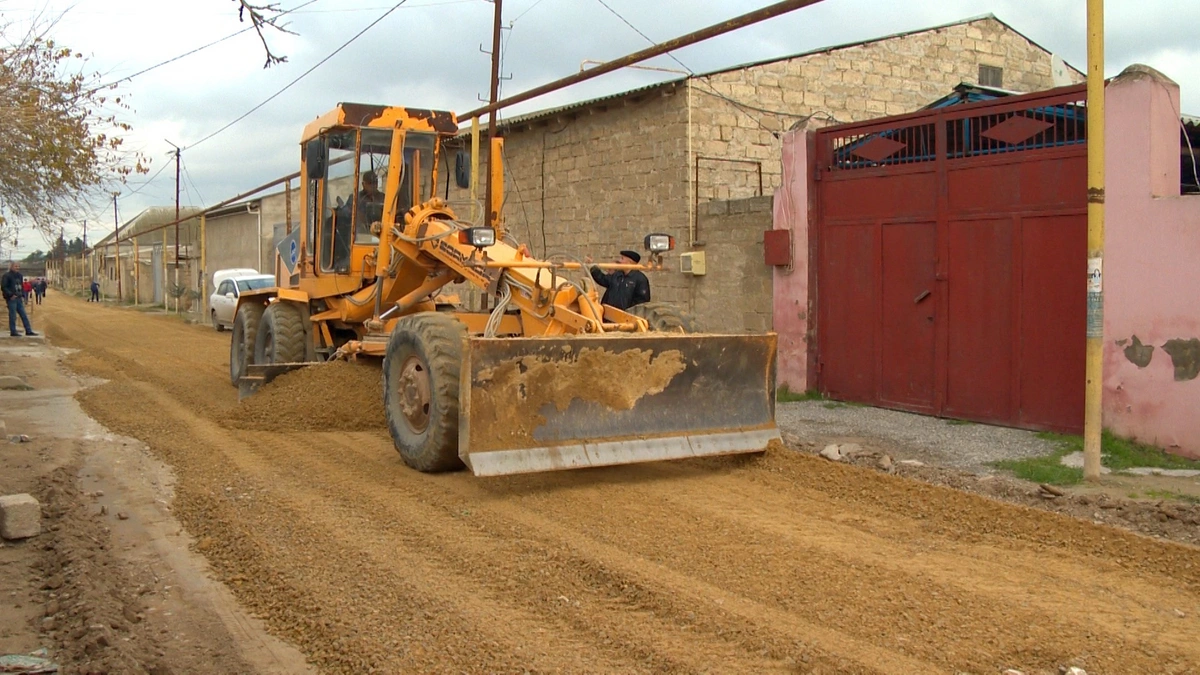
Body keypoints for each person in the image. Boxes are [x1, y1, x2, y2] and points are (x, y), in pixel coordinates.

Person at [2, 262, 37, 337]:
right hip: (11, 299)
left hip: (19, 298)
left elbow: (21, 286)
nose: (17, 268)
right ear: (11, 267)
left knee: (24, 315)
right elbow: (4, 287)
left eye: (18, 266)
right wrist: (10, 295)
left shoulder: (20, 276)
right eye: (15, 266)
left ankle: (28, 330)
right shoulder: (6, 276)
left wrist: (22, 295)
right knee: (13, 316)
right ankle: (13, 331)